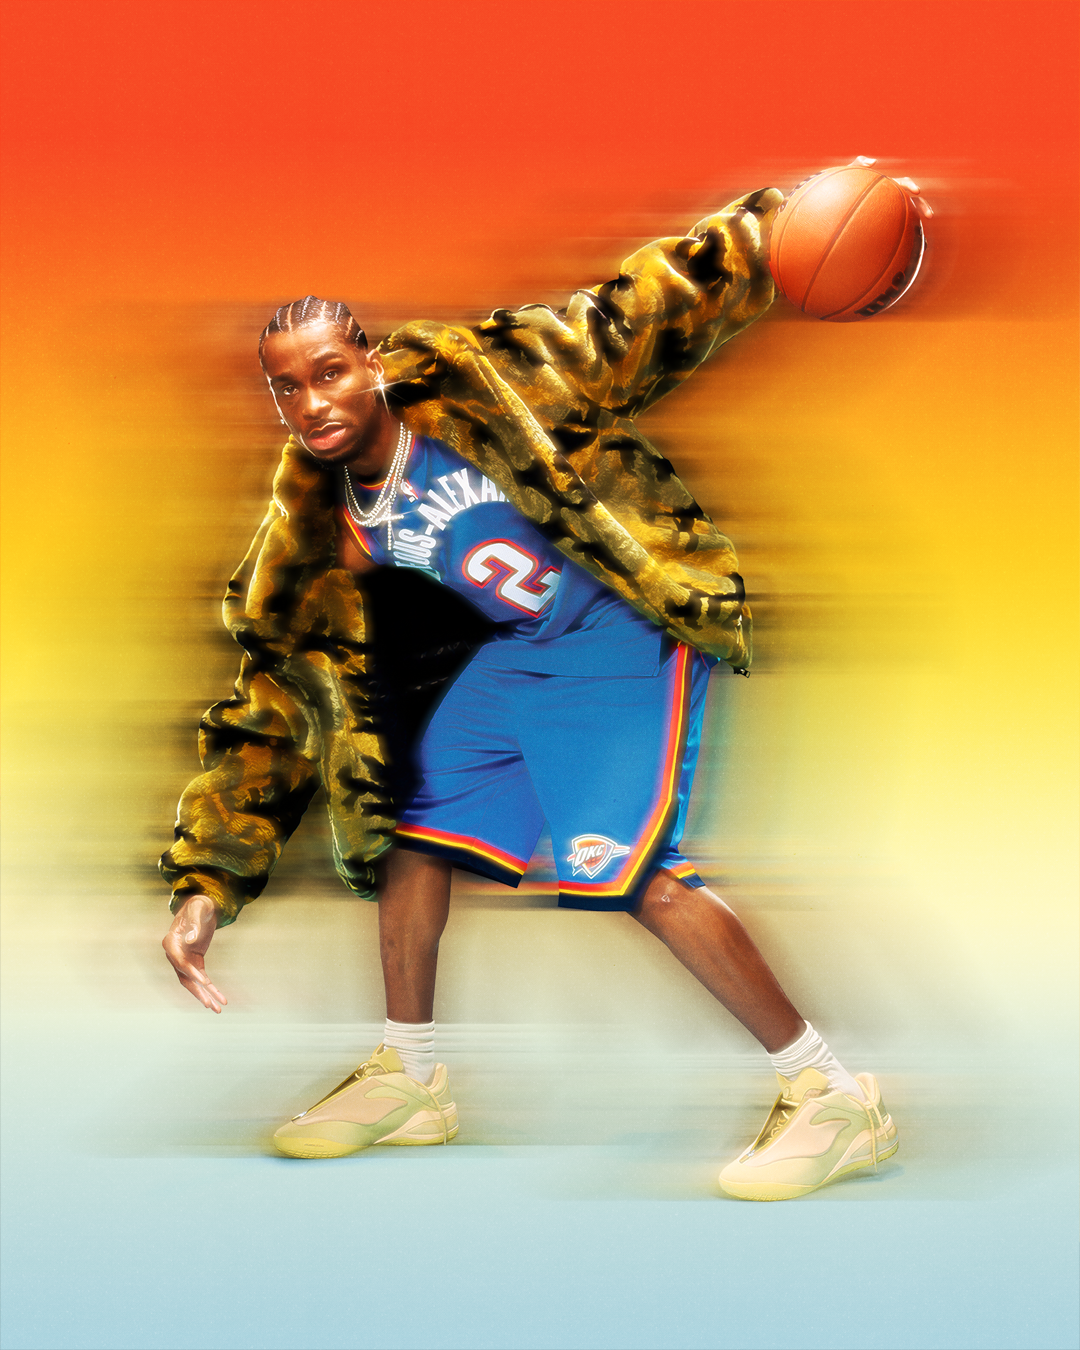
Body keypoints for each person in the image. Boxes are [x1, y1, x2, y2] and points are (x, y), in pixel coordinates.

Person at [160, 187, 898, 1200]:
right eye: (287, 387)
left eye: (329, 371)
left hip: (618, 632)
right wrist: (206, 885)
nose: (314, 401)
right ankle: (412, 1079)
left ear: (370, 363)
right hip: (520, 654)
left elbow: (638, 310)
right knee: (413, 837)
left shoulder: (488, 377)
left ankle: (831, 1095)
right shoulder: (315, 525)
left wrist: (772, 227)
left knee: (629, 875)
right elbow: (272, 702)